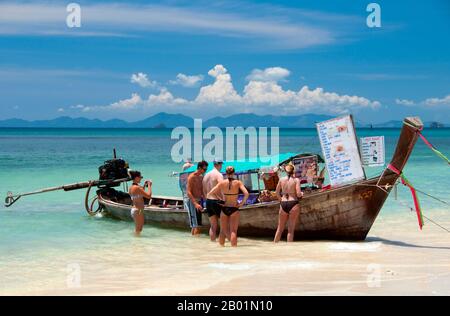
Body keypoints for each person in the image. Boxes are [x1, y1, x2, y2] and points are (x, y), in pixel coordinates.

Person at [208, 166, 249, 247]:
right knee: (233, 231)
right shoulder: (238, 182)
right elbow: (246, 194)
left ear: (226, 173)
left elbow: (210, 193)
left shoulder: (222, 183)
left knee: (223, 230)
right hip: (234, 208)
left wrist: (219, 199)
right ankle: (234, 250)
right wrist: (241, 203)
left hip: (224, 207)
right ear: (233, 173)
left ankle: (221, 249)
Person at [274, 164, 303, 242]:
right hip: (293, 203)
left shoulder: (281, 179)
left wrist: (281, 200)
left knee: (279, 229)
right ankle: (289, 250)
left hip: (283, 204)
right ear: (293, 171)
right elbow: (298, 194)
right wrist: (302, 194)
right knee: (290, 230)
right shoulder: (296, 180)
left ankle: (274, 248)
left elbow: (276, 193)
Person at [203, 158, 224, 241]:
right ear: (219, 164)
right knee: (224, 224)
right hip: (217, 201)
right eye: (221, 164)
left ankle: (212, 244)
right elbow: (222, 186)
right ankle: (222, 245)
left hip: (208, 201)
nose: (221, 166)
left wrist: (206, 199)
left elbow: (204, 190)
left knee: (213, 225)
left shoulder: (206, 175)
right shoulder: (218, 174)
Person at [185, 160, 208, 235]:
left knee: (198, 225)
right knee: (195, 225)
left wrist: (206, 201)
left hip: (199, 201)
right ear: (199, 168)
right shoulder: (191, 177)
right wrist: (195, 204)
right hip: (192, 202)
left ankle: (194, 242)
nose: (205, 171)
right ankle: (194, 243)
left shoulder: (201, 177)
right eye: (204, 169)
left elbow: (201, 190)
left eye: (206, 169)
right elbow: (188, 192)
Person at [128, 170, 152, 236]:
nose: (141, 178)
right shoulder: (137, 188)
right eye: (140, 177)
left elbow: (140, 193)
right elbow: (149, 196)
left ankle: (137, 242)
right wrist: (149, 186)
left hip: (135, 210)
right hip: (138, 210)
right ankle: (136, 244)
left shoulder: (131, 188)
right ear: (136, 178)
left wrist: (144, 185)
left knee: (138, 229)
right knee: (138, 230)